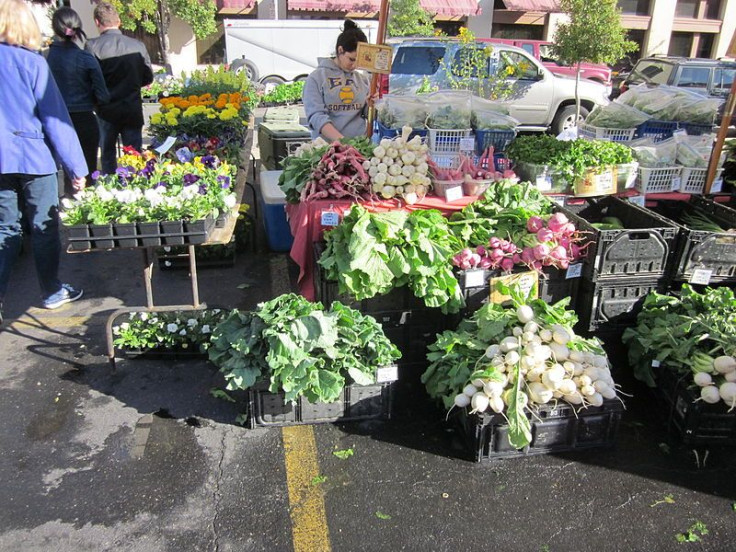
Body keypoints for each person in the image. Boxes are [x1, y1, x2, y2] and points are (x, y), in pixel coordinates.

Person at [0, 0, 87, 325]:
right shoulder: (32, 62)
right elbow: (55, 119)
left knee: (5, 228)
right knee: (44, 226)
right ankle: (51, 291)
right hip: (33, 157)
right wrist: (77, 169)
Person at [46, 6, 110, 192]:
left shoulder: (44, 58)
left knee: (64, 173)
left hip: (54, 119)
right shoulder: (85, 58)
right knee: (87, 172)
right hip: (83, 119)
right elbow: (103, 95)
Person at [86, 1, 153, 175]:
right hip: (131, 107)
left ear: (97, 22)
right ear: (119, 21)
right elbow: (148, 76)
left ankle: (111, 189)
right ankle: (135, 189)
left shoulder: (92, 46)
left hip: (106, 110)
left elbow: (88, 79)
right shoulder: (137, 45)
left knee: (108, 155)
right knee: (133, 155)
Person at [303, 19, 376, 141]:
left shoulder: (362, 80)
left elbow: (366, 114)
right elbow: (316, 116)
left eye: (358, 61)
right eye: (351, 59)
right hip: (328, 151)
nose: (355, 66)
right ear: (340, 50)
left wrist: (371, 104)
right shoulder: (316, 78)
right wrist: (343, 143)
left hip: (359, 146)